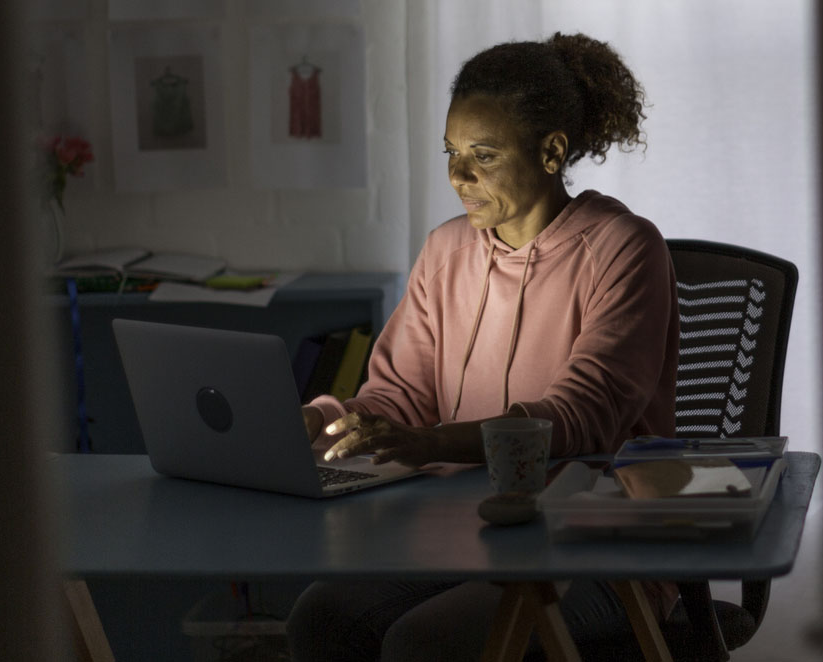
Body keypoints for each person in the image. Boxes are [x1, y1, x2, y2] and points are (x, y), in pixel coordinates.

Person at [288, 32, 680, 661]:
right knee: (321, 618)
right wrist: (320, 420)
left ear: (551, 150)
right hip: (463, 531)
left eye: (484, 155)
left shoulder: (623, 248)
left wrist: (434, 442)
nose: (457, 175)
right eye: (450, 152)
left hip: (598, 542)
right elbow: (398, 395)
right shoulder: (446, 251)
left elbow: (581, 418)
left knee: (426, 643)